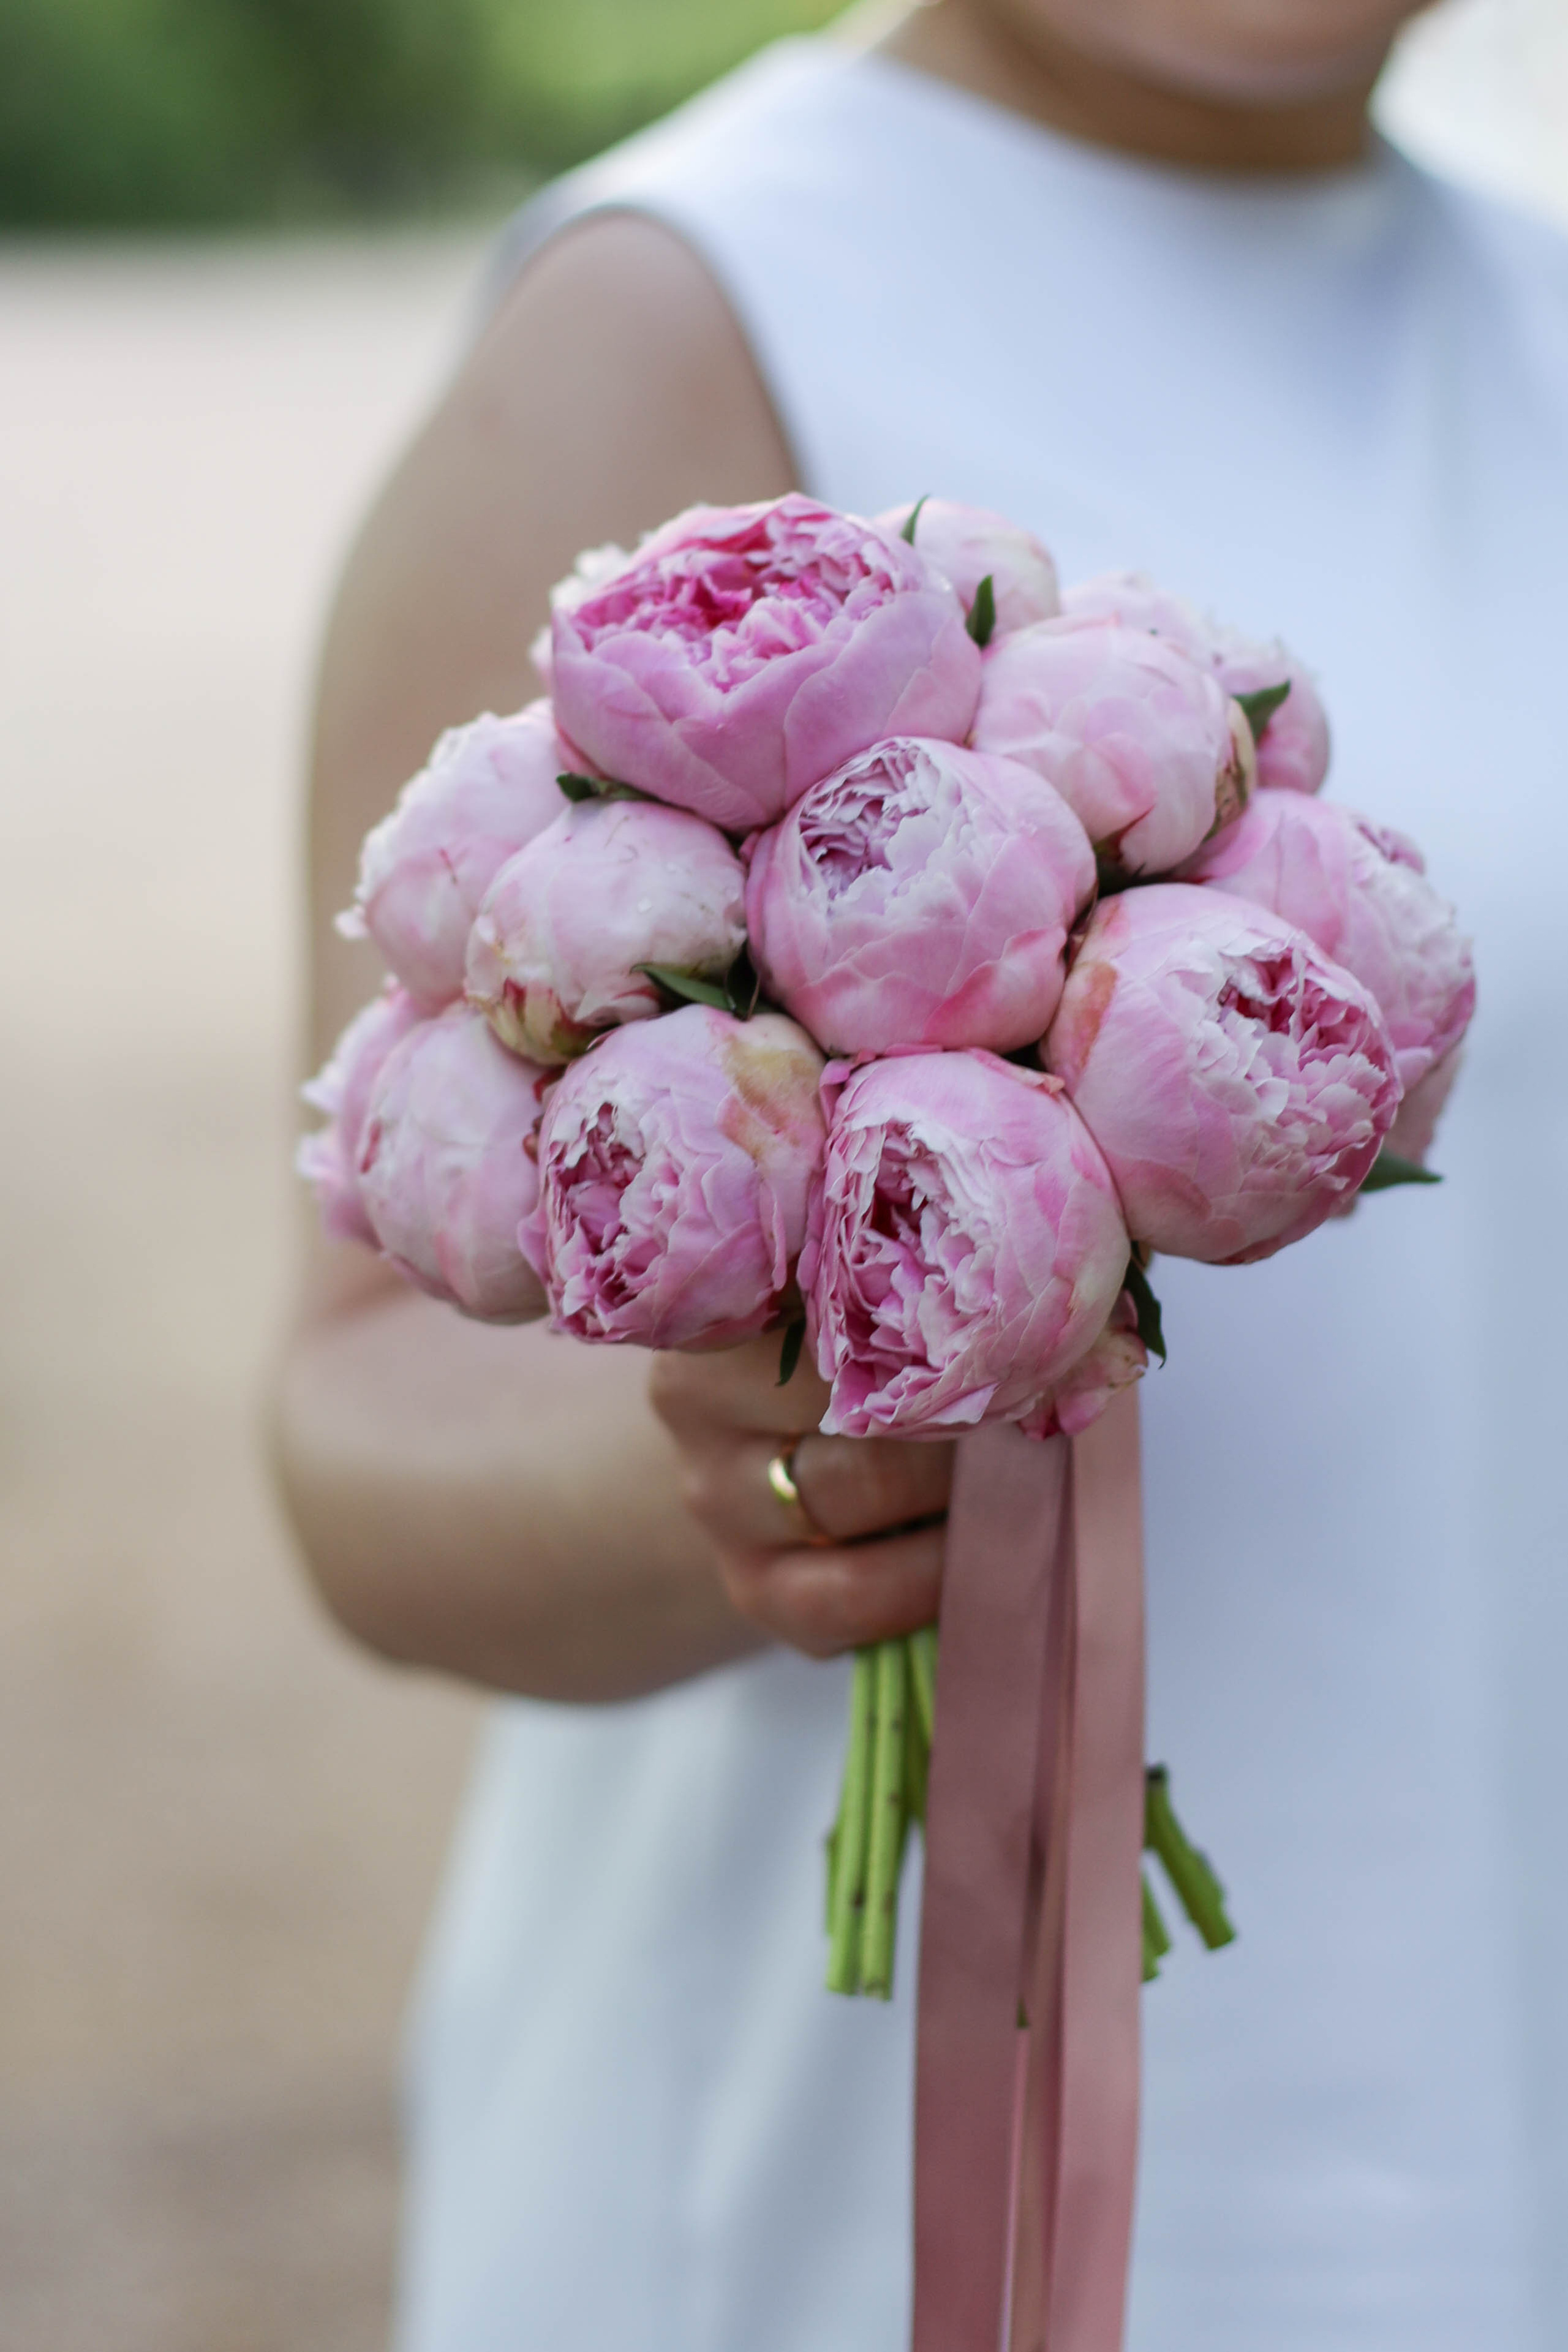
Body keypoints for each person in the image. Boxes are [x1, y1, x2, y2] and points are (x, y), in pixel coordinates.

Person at [271, 2, 1568, 2345]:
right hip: (860, 2184)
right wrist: (762, 1463)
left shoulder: (1546, 302)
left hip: (1490, 2039)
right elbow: (351, 1412)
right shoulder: (679, 298)